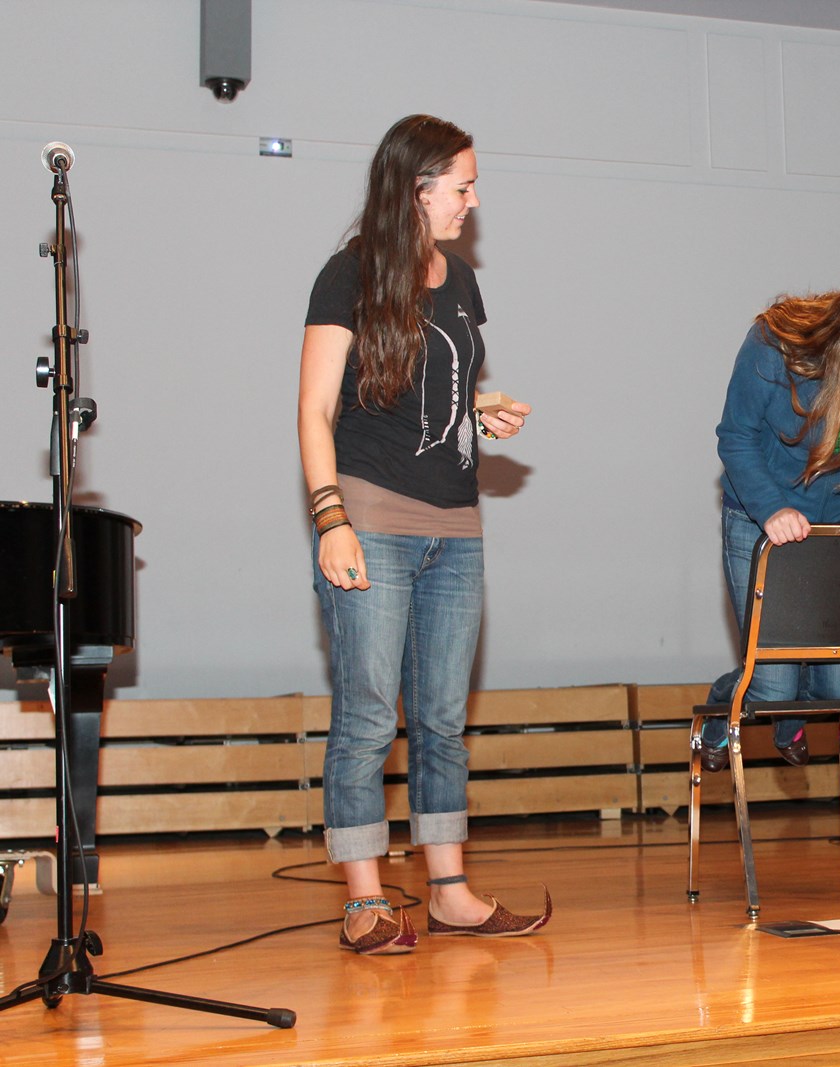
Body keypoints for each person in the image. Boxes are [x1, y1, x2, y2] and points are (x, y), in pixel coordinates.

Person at [298, 114, 548, 955]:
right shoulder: (348, 275)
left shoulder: (462, 279)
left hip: (457, 526)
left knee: (440, 719)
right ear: (417, 188)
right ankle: (366, 900)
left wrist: (483, 409)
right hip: (371, 516)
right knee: (369, 717)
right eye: (462, 186)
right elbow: (316, 409)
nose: (473, 202)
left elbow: (430, 385)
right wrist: (330, 518)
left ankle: (450, 893)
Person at [699, 276, 840, 772]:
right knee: (770, 683)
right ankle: (727, 714)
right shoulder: (774, 345)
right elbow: (737, 437)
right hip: (762, 513)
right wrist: (772, 509)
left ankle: (790, 713)